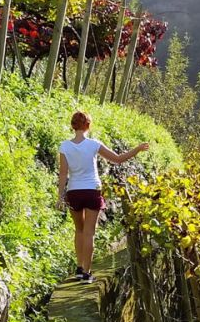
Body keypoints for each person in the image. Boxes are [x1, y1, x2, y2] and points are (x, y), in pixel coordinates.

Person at [57, 111, 149, 283]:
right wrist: (136, 149)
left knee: (79, 230)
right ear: (88, 125)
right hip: (92, 190)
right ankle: (86, 272)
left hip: (73, 191)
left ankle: (79, 268)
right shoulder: (93, 144)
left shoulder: (65, 147)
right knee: (89, 233)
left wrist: (60, 197)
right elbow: (118, 159)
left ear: (73, 125)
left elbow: (63, 174)